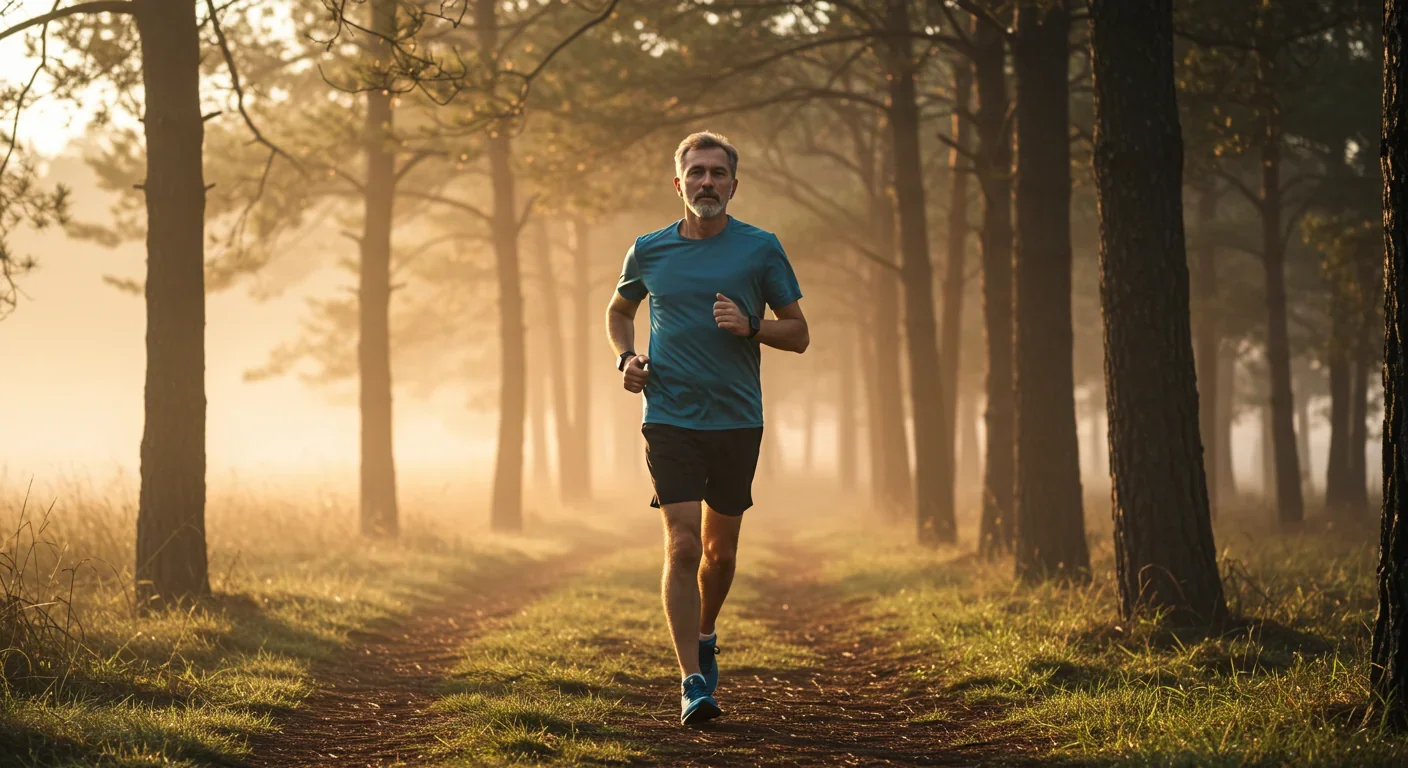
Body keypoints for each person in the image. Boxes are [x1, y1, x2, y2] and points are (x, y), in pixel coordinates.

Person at [603, 131, 810, 726]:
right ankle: (693, 680)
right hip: (669, 417)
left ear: (733, 185)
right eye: (696, 173)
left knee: (718, 555)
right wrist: (627, 359)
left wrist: (751, 326)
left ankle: (707, 630)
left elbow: (799, 333)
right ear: (679, 183)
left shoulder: (760, 249)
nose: (707, 183)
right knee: (684, 542)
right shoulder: (648, 250)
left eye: (718, 174)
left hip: (737, 420)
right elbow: (619, 311)